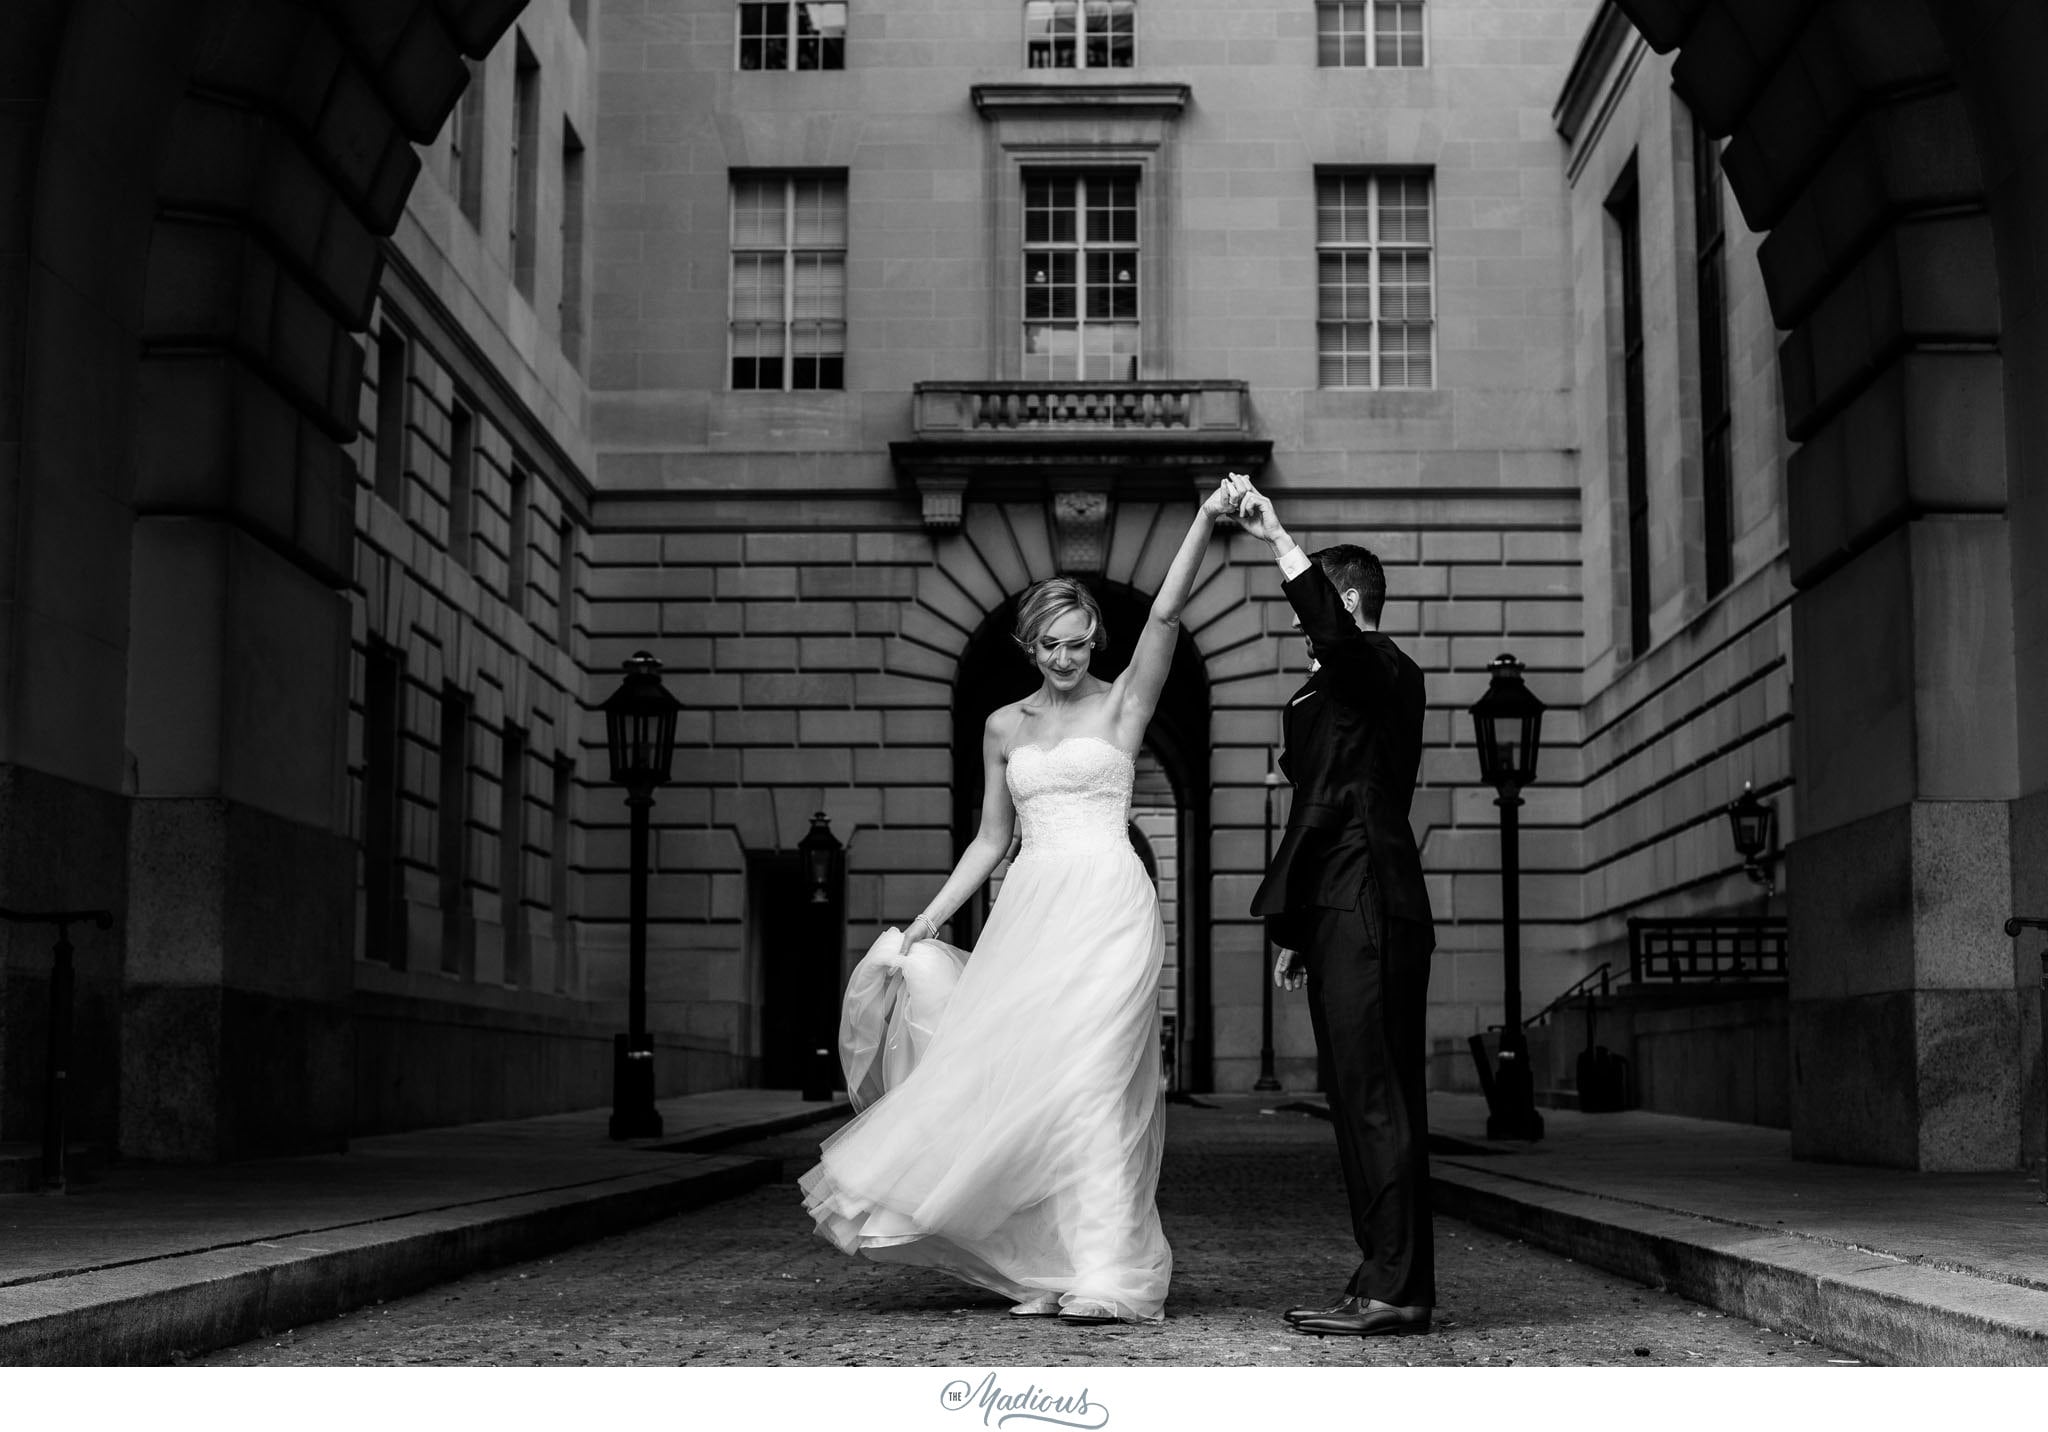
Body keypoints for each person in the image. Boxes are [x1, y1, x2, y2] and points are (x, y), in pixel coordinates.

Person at [798, 475, 1253, 1326]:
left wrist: (1201, 518)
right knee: (1036, 1086)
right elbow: (987, 841)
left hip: (1110, 906)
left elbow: (1165, 618)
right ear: (1030, 644)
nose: (1069, 658)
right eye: (1053, 644)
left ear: (1094, 642)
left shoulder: (1123, 706)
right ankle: (1053, 1267)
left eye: (1080, 642)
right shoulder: (1003, 727)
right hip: (1031, 910)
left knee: (1092, 1085)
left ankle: (1110, 1272)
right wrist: (927, 923)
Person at [1233, 480, 1437, 1339]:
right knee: (1357, 1102)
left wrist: (1276, 535)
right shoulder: (1315, 698)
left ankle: (1396, 1286)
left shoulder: (1382, 668)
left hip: (1372, 903)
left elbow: (1337, 646)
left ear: (1346, 601)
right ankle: (1385, 1279)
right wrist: (1293, 926)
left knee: (1377, 1099)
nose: (1295, 623)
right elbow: (1313, 804)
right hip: (1335, 910)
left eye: (1314, 602)